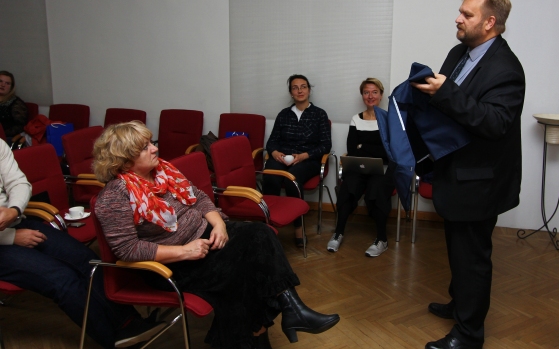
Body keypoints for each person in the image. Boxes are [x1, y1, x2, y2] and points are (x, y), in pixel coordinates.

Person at [92, 121, 339, 349]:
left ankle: (290, 310)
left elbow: (199, 198)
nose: (154, 149)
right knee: (245, 274)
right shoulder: (115, 196)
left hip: (206, 236)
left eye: (151, 142)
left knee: (261, 232)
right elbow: (127, 249)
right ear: (124, 160)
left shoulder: (163, 171)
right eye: (144, 148)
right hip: (173, 263)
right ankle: (279, 322)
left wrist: (219, 224)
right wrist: (184, 251)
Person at [412, 0, 525, 349]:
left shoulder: (507, 68)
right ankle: (460, 304)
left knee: (472, 259)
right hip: (454, 175)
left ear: (490, 22)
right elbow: (449, 107)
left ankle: (469, 334)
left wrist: (445, 92)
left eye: (467, 14)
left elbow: (495, 123)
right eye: (460, 12)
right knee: (458, 252)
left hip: (480, 182)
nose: (457, 19)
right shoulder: (459, 52)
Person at [0, 139, 166, 348]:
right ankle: (114, 341)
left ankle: (131, 324)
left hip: (16, 223)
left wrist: (14, 209)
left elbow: (18, 183)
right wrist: (11, 237)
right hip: (6, 239)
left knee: (87, 261)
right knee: (62, 279)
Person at [327, 78, 395, 257]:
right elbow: (352, 149)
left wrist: (362, 146)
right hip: (359, 168)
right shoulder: (356, 119)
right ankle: (338, 233)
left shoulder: (389, 119)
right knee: (349, 186)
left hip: (382, 169)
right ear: (362, 95)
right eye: (366, 92)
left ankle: (382, 239)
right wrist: (372, 149)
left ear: (381, 95)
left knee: (377, 189)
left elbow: (388, 152)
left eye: (374, 92)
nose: (370, 96)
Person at [263, 74, 331, 247]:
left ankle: (299, 229)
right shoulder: (283, 114)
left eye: (303, 87)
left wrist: (304, 156)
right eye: (295, 88)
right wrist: (275, 152)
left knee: (292, 179)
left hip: (308, 159)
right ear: (291, 93)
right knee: (270, 175)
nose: (300, 91)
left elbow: (325, 145)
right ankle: (268, 226)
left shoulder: (319, 114)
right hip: (283, 158)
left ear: (309, 90)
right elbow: (271, 142)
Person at [0, 71, 28, 142]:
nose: (2, 85)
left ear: (11, 87)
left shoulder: (16, 103)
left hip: (7, 138)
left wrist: (2, 133)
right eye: (0, 81)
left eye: (7, 83)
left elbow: (21, 126)